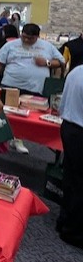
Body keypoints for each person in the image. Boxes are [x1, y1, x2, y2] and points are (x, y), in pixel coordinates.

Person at [0, 23, 65, 153]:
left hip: (35, 87)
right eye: (24, 36)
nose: (26, 40)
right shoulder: (11, 45)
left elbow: (61, 62)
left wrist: (47, 62)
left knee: (27, 116)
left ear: (37, 37)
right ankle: (0, 139)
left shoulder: (47, 46)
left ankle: (18, 139)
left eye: (30, 38)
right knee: (4, 113)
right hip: (10, 84)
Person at [56, 64, 83, 248]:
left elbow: (62, 103)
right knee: (79, 183)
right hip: (79, 130)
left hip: (69, 127)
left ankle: (64, 220)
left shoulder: (76, 71)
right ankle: (74, 232)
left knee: (70, 177)